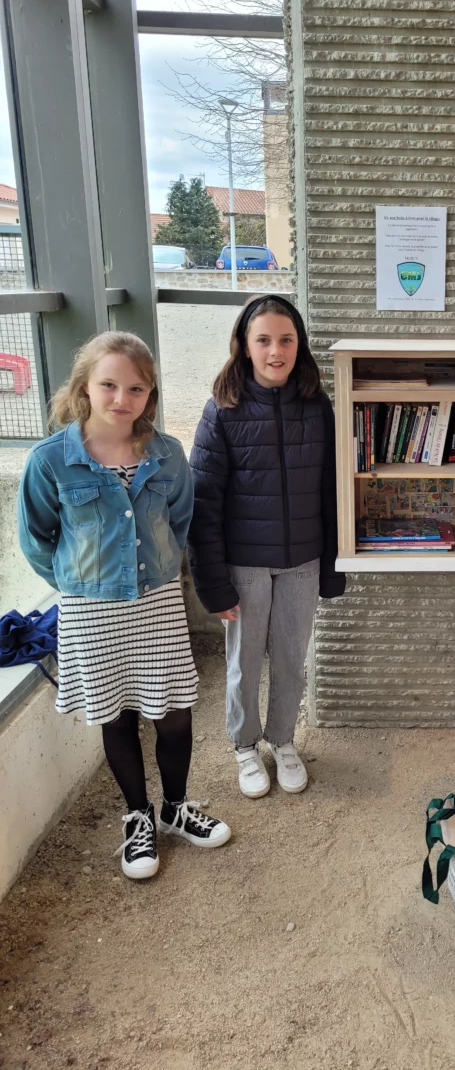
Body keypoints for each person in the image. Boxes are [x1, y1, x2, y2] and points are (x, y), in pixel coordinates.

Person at [17, 332, 231, 880]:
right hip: (91, 612)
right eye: (109, 384)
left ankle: (175, 808)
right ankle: (138, 816)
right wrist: (80, 583)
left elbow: (179, 523)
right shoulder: (50, 460)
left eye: (136, 388)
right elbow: (37, 539)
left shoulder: (168, 455)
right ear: (85, 386)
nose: (122, 398)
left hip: (157, 603)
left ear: (150, 394)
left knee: (175, 714)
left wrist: (157, 572)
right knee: (117, 717)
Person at [188, 295, 345, 800]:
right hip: (245, 566)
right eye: (263, 340)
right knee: (245, 662)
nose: (275, 351)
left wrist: (332, 565)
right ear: (244, 345)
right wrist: (213, 583)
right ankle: (244, 745)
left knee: (292, 661)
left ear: (299, 345)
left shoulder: (318, 407)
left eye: (286, 340)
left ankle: (283, 740)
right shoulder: (222, 411)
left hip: (303, 560)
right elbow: (203, 504)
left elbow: (332, 491)